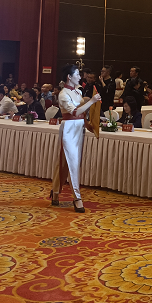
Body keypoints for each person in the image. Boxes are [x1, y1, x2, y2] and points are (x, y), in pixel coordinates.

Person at [50, 64, 101, 213]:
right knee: (72, 162)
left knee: (65, 161)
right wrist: (92, 101)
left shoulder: (78, 91)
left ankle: (55, 191)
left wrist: (87, 124)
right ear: (69, 77)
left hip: (79, 128)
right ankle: (77, 198)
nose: (80, 76)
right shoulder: (63, 94)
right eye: (77, 74)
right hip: (69, 129)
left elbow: (81, 114)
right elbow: (75, 112)